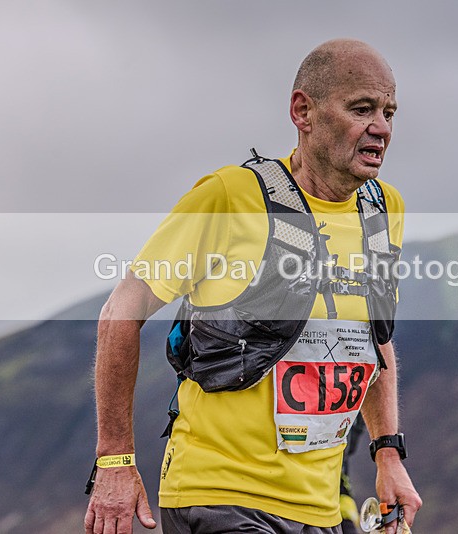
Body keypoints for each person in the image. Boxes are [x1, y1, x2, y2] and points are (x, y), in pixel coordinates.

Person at [85, 38, 421, 534]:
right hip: (220, 494)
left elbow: (373, 338)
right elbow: (121, 310)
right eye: (361, 109)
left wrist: (387, 453)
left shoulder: (384, 210)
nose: (382, 128)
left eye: (389, 113)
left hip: (319, 507)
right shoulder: (230, 196)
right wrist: (115, 459)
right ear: (303, 111)